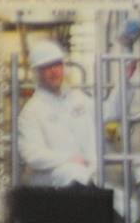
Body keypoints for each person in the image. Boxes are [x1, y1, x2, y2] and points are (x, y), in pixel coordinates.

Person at [15, 37, 98, 190]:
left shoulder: (78, 98)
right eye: (46, 67)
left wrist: (127, 78)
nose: (53, 71)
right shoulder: (31, 111)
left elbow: (107, 111)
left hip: (89, 179)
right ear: (37, 73)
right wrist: (70, 159)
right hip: (54, 188)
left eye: (56, 64)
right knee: (72, 174)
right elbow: (32, 154)